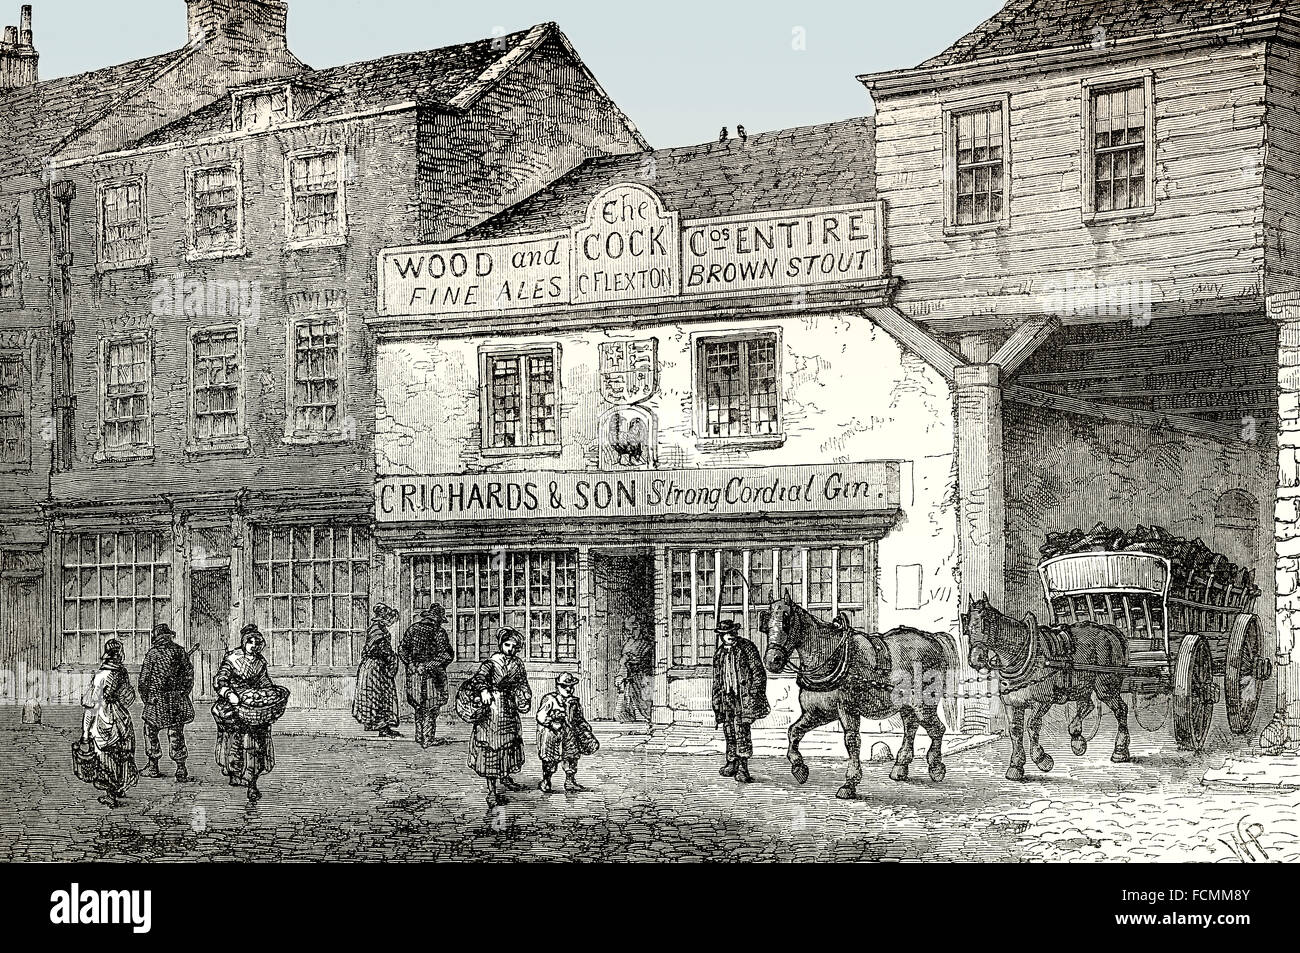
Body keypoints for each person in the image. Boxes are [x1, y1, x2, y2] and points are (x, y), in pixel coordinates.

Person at [466, 627, 533, 807]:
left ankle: (505, 776)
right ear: (501, 644)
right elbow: (478, 679)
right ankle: (491, 791)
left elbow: (522, 683)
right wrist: (484, 691)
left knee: (509, 743)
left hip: (509, 708)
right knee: (491, 746)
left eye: (514, 646)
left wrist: (525, 696)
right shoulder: (491, 663)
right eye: (507, 644)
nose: (510, 648)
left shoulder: (517, 664)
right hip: (492, 710)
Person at [213, 624, 278, 802]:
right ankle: (235, 773)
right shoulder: (233, 658)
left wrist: (267, 693)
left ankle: (252, 782)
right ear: (244, 642)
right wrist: (228, 693)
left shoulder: (260, 662)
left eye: (257, 642)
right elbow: (220, 680)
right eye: (250, 642)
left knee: (255, 745)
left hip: (254, 708)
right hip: (233, 706)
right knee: (234, 741)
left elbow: (265, 682)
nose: (254, 646)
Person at [78, 639, 139, 808]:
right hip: (121, 717)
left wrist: (85, 732)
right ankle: (120, 787)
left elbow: (91, 706)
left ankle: (111, 795)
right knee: (122, 752)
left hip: (104, 718)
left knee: (105, 755)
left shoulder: (101, 676)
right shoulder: (122, 673)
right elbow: (129, 698)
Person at [711, 618, 769, 784]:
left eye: (731, 633)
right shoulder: (720, 653)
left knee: (741, 732)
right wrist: (716, 701)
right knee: (729, 731)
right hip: (726, 698)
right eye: (725, 634)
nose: (729, 636)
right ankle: (732, 762)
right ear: (721, 636)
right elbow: (717, 680)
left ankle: (743, 767)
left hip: (743, 698)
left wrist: (753, 694)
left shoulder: (747, 648)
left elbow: (759, 674)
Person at [137, 622, 195, 782]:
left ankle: (153, 766)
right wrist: (183, 693)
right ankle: (181, 768)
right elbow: (189, 676)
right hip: (176, 700)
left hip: (157, 701)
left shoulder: (152, 654)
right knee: (176, 733)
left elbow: (143, 681)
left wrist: (147, 699)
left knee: (150, 731)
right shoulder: (179, 651)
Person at [399, 603, 454, 747]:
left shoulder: (412, 629)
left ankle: (420, 736)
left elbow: (402, 650)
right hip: (432, 675)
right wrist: (428, 665)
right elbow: (446, 655)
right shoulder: (438, 632)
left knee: (419, 706)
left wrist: (411, 663)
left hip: (415, 673)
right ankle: (428, 738)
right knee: (431, 706)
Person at [536, 672, 599, 793]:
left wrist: (585, 726)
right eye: (564, 686)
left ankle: (570, 781)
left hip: (569, 734)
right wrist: (551, 722)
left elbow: (578, 718)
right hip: (553, 735)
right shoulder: (550, 700)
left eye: (571, 686)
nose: (569, 689)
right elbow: (541, 716)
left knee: (571, 757)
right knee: (550, 759)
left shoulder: (574, 702)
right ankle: (546, 781)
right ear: (558, 687)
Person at [353, 604, 402, 738]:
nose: (391, 622)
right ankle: (382, 727)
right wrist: (393, 658)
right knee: (379, 696)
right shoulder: (378, 631)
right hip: (375, 667)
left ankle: (380, 726)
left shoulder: (378, 629)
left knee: (379, 696)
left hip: (374, 666)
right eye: (390, 619)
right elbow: (382, 650)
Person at [617, 621, 654, 722]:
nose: (630, 633)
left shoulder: (646, 643)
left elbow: (646, 660)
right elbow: (623, 660)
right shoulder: (629, 643)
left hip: (643, 676)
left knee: (644, 699)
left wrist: (634, 660)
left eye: (633, 630)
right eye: (628, 631)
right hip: (632, 676)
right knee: (632, 698)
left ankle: (648, 718)